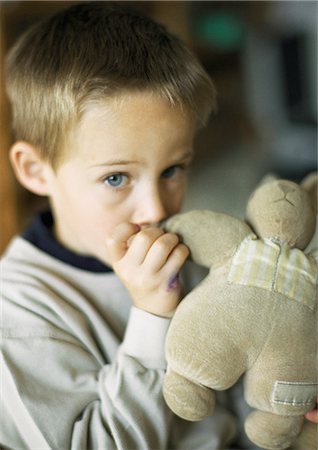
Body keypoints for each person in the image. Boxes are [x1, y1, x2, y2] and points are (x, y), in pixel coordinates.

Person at [0, 2, 316, 449]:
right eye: (115, 178)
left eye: (173, 169)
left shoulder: (190, 247)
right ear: (35, 170)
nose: (154, 209)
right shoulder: (19, 315)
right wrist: (152, 316)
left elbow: (236, 375)